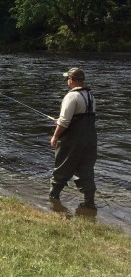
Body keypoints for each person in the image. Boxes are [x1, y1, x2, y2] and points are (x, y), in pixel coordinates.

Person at [49, 67, 97, 208]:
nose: (67, 81)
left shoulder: (71, 96)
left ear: (72, 80)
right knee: (86, 171)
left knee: (61, 169)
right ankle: (89, 202)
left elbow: (64, 122)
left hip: (72, 141)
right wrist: (61, 120)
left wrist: (55, 136)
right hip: (90, 140)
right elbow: (79, 117)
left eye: (67, 78)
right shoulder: (91, 96)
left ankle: (53, 198)